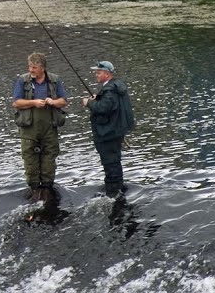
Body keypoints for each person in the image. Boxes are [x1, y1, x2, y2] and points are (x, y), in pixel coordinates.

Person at [12, 52, 68, 201]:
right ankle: (34, 189)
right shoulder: (22, 81)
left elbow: (63, 101)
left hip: (49, 126)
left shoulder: (55, 80)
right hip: (29, 128)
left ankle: (48, 188)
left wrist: (53, 102)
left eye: (34, 67)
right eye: (30, 66)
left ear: (42, 68)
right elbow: (16, 103)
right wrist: (34, 103)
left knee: (50, 156)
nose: (31, 70)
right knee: (30, 158)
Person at [81, 60, 135, 198]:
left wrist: (89, 103)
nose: (96, 75)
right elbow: (111, 105)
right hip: (116, 132)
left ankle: (112, 194)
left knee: (110, 165)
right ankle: (119, 190)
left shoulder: (110, 90)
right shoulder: (116, 87)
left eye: (98, 72)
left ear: (107, 74)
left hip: (108, 134)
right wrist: (98, 97)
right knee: (115, 163)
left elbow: (103, 108)